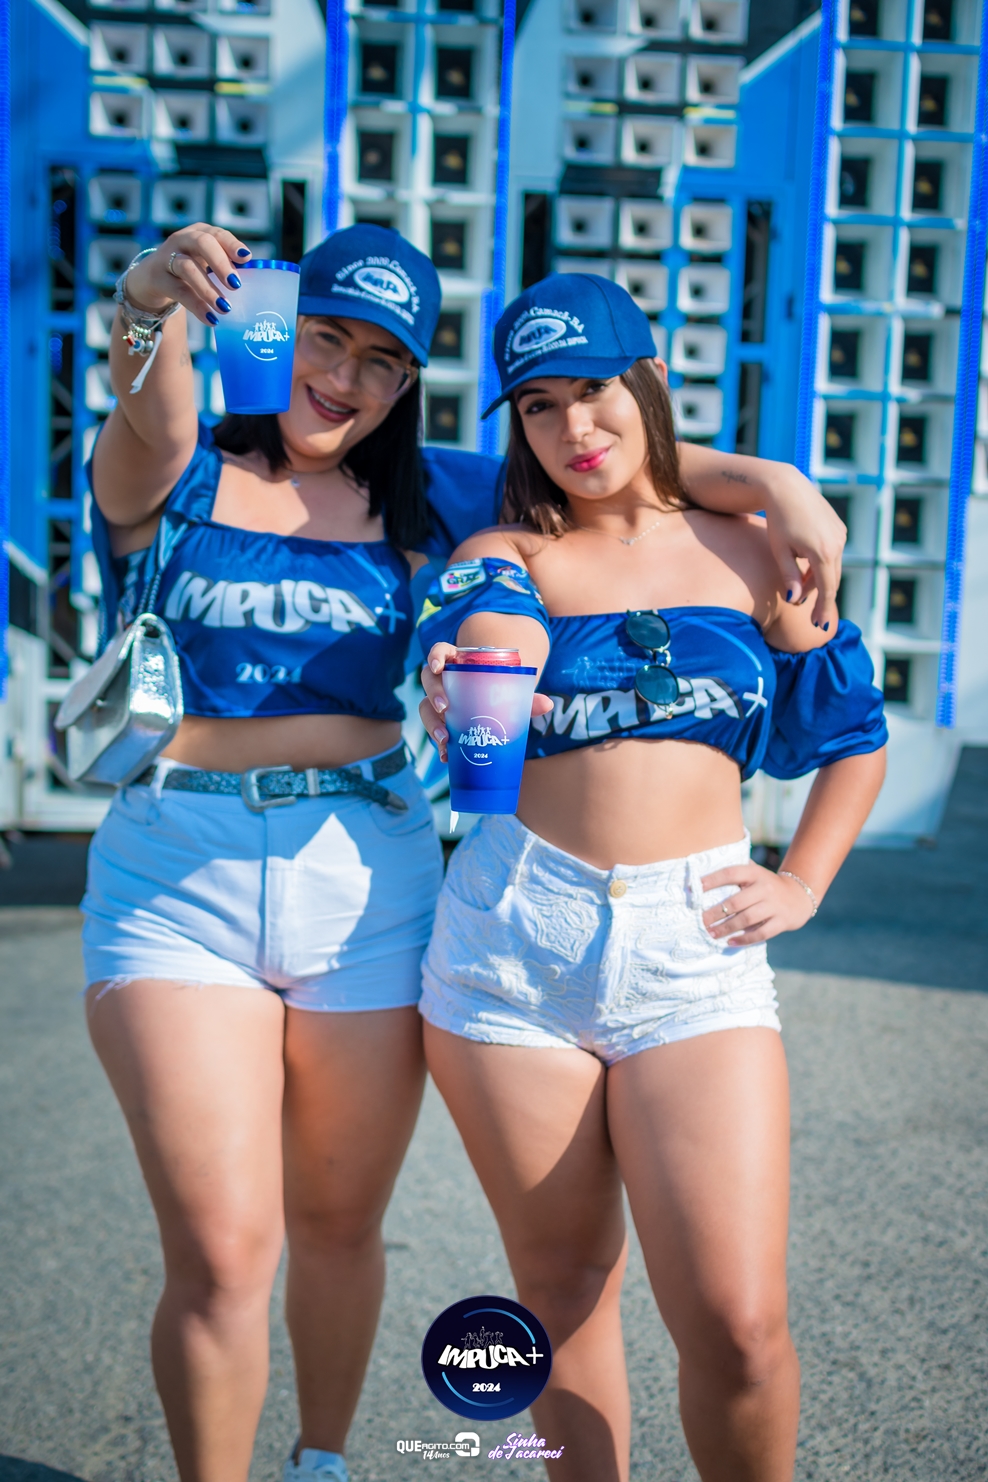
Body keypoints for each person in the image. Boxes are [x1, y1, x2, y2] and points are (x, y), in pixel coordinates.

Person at [81, 219, 846, 1482]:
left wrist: (778, 485)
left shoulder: (431, 492)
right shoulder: (179, 472)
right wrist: (146, 299)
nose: (344, 378)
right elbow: (149, 414)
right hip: (179, 864)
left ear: (409, 384)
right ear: (275, 330)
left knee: (339, 1218)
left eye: (382, 361)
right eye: (325, 338)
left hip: (364, 864)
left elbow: (612, 467)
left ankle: (320, 1461)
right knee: (222, 1250)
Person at [417, 273, 888, 1482]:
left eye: (594, 391)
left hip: (695, 952)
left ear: (653, 382)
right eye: (538, 407)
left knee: (738, 1324)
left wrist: (805, 883)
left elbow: (852, 738)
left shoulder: (755, 550)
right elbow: (493, 630)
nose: (573, 429)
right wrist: (475, 669)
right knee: (561, 1293)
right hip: (513, 950)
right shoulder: (506, 549)